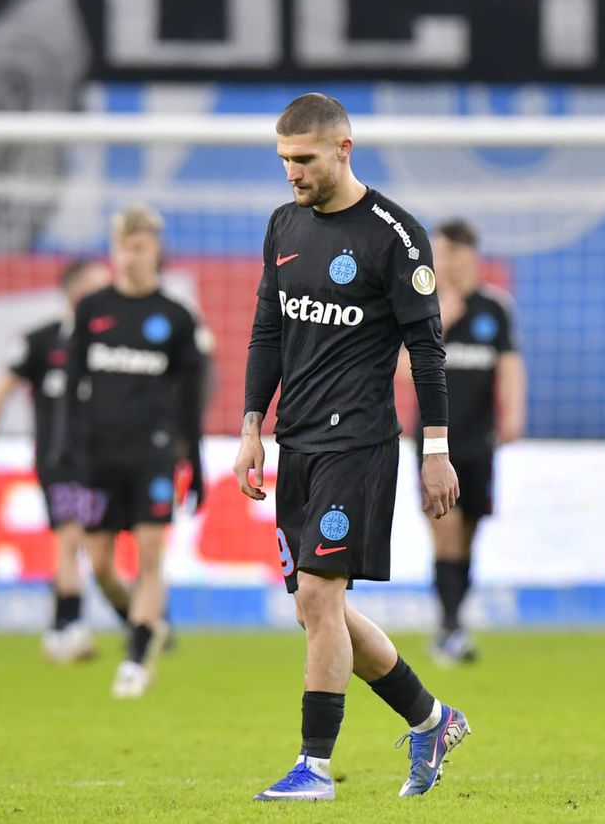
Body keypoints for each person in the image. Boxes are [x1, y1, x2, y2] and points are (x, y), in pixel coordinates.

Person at [235, 93, 469, 803]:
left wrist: (436, 448)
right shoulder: (284, 224)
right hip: (295, 442)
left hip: (359, 442)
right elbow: (268, 331)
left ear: (343, 148)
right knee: (317, 611)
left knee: (319, 594)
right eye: (283, 160)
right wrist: (252, 424)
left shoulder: (395, 236)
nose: (291, 174)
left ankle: (314, 767)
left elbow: (428, 350)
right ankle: (431, 718)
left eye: (302, 159)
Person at [56, 206, 206, 698]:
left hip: (154, 456)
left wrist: (197, 466)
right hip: (97, 458)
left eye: (138, 247)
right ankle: (141, 624)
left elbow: (190, 400)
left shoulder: (176, 317)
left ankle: (137, 658)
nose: (128, 256)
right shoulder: (90, 308)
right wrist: (65, 448)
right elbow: (72, 386)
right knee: (98, 563)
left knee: (149, 555)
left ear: (154, 250)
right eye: (121, 246)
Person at [0, 258, 114, 663]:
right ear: (75, 293)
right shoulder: (41, 340)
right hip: (58, 458)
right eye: (98, 287)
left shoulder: (108, 343)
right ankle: (66, 630)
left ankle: (63, 628)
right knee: (70, 539)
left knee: (86, 544)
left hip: (102, 460)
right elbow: (2, 390)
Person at [416, 219, 525, 664]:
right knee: (444, 534)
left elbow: (510, 363)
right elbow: (402, 370)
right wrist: (441, 325)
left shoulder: (494, 309)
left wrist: (514, 415)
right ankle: (448, 627)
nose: (442, 262)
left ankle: (455, 619)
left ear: (467, 256)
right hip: (433, 446)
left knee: (467, 536)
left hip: (479, 442)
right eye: (437, 253)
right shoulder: (422, 308)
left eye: (449, 253)